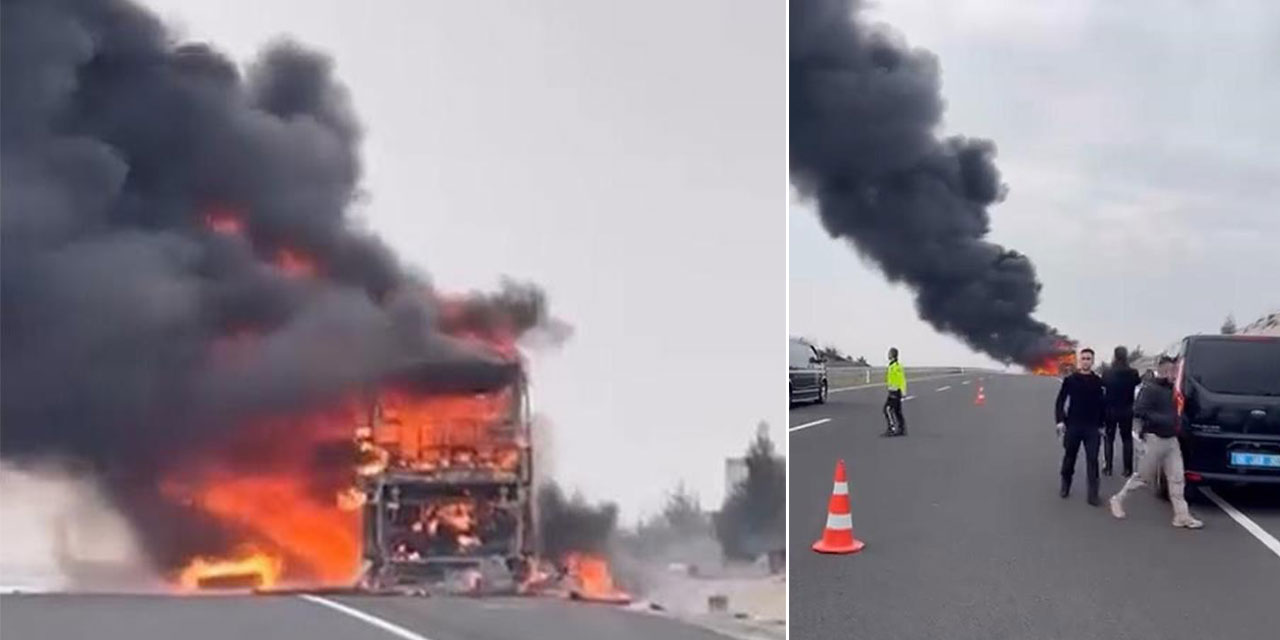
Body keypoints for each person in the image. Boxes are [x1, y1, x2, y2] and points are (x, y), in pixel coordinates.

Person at [1108, 355, 1204, 529]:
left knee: (1177, 478)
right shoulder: (1150, 389)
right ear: (1165, 371)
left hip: (1172, 440)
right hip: (1155, 439)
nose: (1176, 374)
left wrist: (1179, 424)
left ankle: (1182, 516)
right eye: (1173, 371)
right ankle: (1118, 499)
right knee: (1143, 477)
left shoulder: (1173, 391)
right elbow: (1138, 410)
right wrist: (1163, 419)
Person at [1054, 347, 1106, 505]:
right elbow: (1060, 401)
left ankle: (1093, 495)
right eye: (1083, 358)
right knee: (1070, 458)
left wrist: (1102, 425)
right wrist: (1060, 421)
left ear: (1092, 361)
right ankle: (1065, 484)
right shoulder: (1071, 380)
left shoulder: (1098, 382)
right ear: (1079, 361)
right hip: (1073, 426)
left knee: (1093, 460)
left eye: (1088, 359)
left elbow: (1103, 405)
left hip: (1092, 427)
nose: (1085, 361)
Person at [1101, 346, 1142, 477]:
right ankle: (1128, 469)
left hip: (1110, 410)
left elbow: (1103, 385)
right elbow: (1138, 382)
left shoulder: (1107, 373)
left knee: (1109, 438)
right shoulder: (1133, 372)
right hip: (1127, 409)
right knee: (1127, 439)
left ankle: (1108, 467)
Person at [880, 347, 907, 437]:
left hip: (895, 392)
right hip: (892, 391)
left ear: (893, 355)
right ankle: (902, 429)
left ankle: (892, 429)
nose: (888, 355)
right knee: (897, 411)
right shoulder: (891, 366)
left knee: (887, 409)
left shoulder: (897, 366)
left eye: (889, 353)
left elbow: (902, 379)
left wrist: (903, 391)